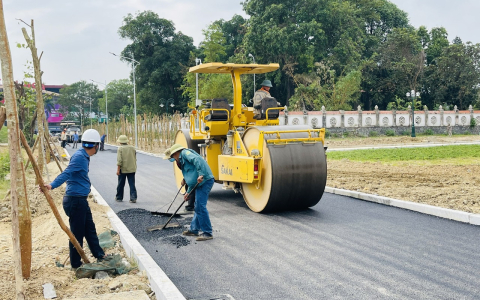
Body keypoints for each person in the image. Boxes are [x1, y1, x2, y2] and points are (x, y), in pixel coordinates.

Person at [43, 129, 106, 269]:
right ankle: (76, 264)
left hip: (80, 200)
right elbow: (67, 173)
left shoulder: (83, 156)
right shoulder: (79, 157)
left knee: (89, 228)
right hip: (75, 201)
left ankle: (99, 254)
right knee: (77, 233)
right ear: (95, 146)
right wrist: (51, 185)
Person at [164, 144, 214, 241]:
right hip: (199, 183)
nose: (172, 159)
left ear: (176, 153)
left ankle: (207, 232)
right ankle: (194, 229)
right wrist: (188, 192)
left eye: (172, 157)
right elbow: (191, 178)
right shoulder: (181, 161)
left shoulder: (185, 153)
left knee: (200, 206)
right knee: (197, 206)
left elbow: (198, 160)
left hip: (205, 181)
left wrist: (201, 174)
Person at [115, 135, 137, 203]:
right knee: (132, 184)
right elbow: (134, 157)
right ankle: (133, 198)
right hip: (132, 169)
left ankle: (119, 197)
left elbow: (119, 161)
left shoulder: (120, 149)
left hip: (123, 169)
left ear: (120, 142)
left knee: (121, 184)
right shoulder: (133, 148)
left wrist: (118, 170)